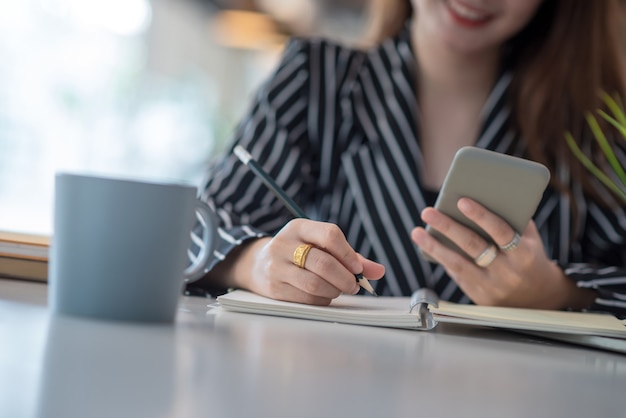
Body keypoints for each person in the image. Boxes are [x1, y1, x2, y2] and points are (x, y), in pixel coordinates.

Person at [190, 0, 626, 319]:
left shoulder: (595, 126)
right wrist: (257, 262)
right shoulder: (315, 80)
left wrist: (554, 291)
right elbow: (191, 233)